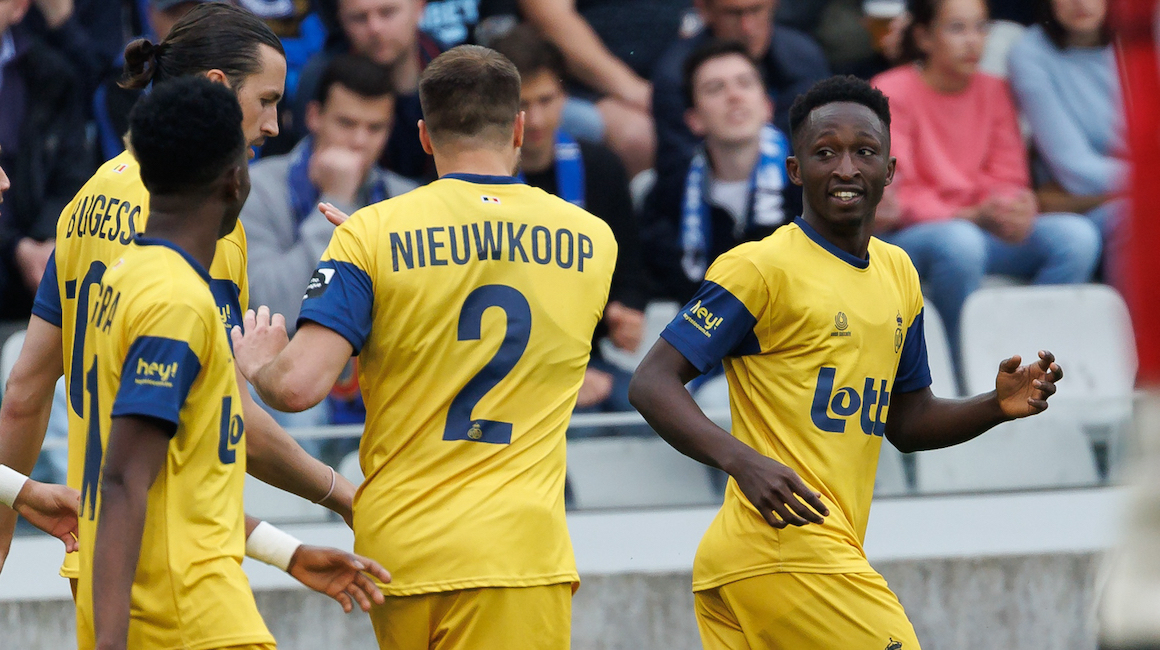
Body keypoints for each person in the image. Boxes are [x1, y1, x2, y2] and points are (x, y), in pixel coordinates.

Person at [628, 74, 1066, 649]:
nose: (845, 169)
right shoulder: (760, 268)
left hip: (773, 562)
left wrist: (994, 405)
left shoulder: (899, 273)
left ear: (890, 170)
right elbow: (652, 382)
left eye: (864, 152)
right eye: (825, 152)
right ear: (794, 170)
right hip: (786, 551)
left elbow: (908, 422)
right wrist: (743, 462)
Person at [233, 45, 617, 648]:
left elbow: (297, 387)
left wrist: (259, 363)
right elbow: (496, 276)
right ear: (518, 128)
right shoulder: (594, 240)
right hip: (516, 551)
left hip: (400, 552)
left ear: (424, 136)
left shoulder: (371, 232)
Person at [0, 1, 356, 580]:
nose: (273, 125)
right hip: (179, 567)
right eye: (265, 100)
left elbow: (24, 392)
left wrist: (1, 538)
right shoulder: (200, 219)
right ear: (216, 87)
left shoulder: (88, 198)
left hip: (93, 557)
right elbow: (233, 420)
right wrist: (342, 495)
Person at [81, 76, 391, 650]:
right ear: (234, 179)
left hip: (177, 603)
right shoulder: (176, 302)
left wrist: (287, 552)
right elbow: (124, 479)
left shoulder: (128, 277)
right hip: (188, 616)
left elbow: (180, 490)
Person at [871, 0, 1100, 357]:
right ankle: (960, 360)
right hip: (916, 235)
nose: (973, 41)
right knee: (960, 243)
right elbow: (898, 195)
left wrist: (1012, 208)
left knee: (1076, 237)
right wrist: (973, 215)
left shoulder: (994, 89)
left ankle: (1027, 355)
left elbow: (1010, 175)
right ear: (924, 37)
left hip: (982, 227)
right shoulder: (891, 90)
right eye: (957, 28)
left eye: (981, 27)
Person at [245, 52, 417, 432]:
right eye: (346, 123)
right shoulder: (256, 188)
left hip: (382, 376)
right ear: (314, 116)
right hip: (294, 380)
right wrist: (337, 199)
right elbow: (273, 306)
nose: (359, 141)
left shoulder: (410, 200)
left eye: (375, 128)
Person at [491, 24, 646, 419]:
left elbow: (628, 269)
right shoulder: (474, 180)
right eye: (522, 105)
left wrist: (624, 311)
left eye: (547, 100)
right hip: (499, 368)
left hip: (586, 358)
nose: (536, 119)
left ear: (566, 97)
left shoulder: (601, 167)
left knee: (653, 411)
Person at [643, 39, 798, 304]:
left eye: (745, 83)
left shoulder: (808, 183)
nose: (734, 96)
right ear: (694, 120)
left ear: (767, 106)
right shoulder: (669, 196)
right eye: (715, 88)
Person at [651, 0, 830, 189]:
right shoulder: (675, 77)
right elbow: (676, 169)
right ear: (704, 10)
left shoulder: (804, 60)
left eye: (756, 10)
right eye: (733, 14)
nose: (747, 27)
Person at [1007, 0, 1124, 282]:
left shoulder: (1144, 41)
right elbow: (1075, 169)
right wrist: (1148, 181)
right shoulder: (1030, 52)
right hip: (1084, 207)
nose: (1080, 2)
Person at [519, 0, 691, 176]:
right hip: (584, 85)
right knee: (639, 136)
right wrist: (633, 90)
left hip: (674, 75)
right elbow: (551, 19)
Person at [0, 0, 89, 321]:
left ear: (19, 7)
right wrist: (14, 247)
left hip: (41, 262)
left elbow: (72, 170)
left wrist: (45, 240)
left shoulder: (53, 75)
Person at [291, 0, 442, 180]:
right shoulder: (319, 79)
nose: (375, 28)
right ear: (340, 19)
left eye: (387, 12)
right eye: (359, 18)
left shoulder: (455, 68)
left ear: (419, 7)